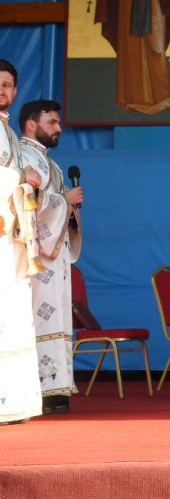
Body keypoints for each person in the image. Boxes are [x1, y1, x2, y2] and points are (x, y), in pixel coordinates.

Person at [19, 99, 83, 414]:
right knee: (38, 318)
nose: (59, 128)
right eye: (52, 122)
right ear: (32, 124)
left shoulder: (52, 164)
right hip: (37, 257)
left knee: (56, 317)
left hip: (56, 257)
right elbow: (26, 200)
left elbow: (51, 201)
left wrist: (69, 209)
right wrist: (63, 200)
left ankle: (56, 386)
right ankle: (40, 389)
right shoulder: (22, 156)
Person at [0, 60, 42, 424]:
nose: (2, 89)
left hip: (11, 241)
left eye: (8, 84)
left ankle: (11, 400)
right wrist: (20, 175)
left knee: (12, 319)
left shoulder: (9, 132)